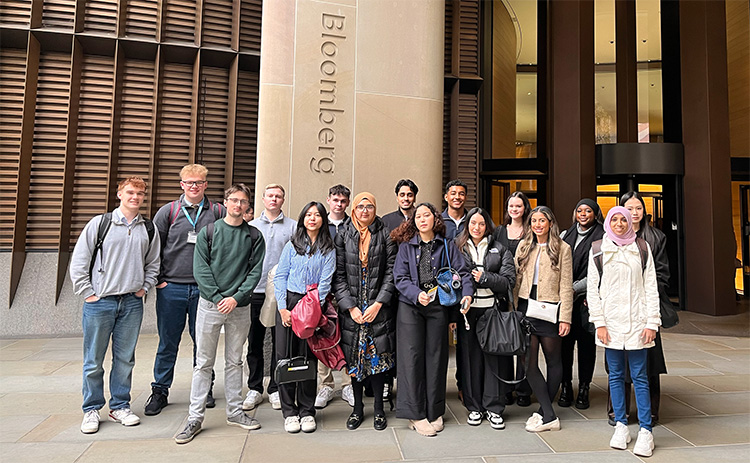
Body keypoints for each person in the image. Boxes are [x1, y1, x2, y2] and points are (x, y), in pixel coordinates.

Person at [175, 183, 266, 444]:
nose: (238, 205)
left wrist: (235, 298)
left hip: (239, 307)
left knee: (235, 361)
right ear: (226, 202)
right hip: (210, 306)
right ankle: (195, 417)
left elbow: (255, 273)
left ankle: (235, 412)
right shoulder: (209, 231)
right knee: (203, 362)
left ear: (249, 205)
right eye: (234, 200)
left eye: (243, 202)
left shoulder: (254, 236)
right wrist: (218, 298)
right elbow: (200, 269)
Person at [70, 177, 160, 434]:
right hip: (101, 302)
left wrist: (144, 287)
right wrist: (88, 293)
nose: (136, 197)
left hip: (131, 303)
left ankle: (120, 405)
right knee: (93, 360)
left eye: (140, 193)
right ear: (119, 194)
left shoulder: (148, 228)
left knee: (125, 359)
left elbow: (153, 263)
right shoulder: (101, 224)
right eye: (130, 192)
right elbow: (79, 260)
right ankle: (91, 409)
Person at [145, 164, 226, 416]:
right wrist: (158, 279)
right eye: (189, 182)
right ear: (181, 185)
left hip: (205, 290)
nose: (194, 186)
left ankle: (205, 388)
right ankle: (159, 391)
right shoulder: (168, 211)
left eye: (199, 182)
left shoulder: (217, 211)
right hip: (172, 288)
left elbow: (226, 247)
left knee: (203, 342)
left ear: (206, 184)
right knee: (168, 342)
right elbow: (153, 247)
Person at [392, 203, 473, 437]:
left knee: (436, 358)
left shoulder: (447, 245)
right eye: (418, 216)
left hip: (438, 307)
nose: (422, 219)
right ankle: (416, 414)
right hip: (411, 308)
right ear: (414, 221)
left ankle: (434, 410)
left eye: (426, 215)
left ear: (435, 219)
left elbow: (463, 273)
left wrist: (466, 293)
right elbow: (400, 277)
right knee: (411, 359)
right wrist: (417, 294)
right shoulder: (406, 247)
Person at [588, 206, 660, 457]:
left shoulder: (641, 248)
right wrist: (599, 323)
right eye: (614, 219)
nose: (619, 224)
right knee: (616, 376)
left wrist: (652, 322)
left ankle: (645, 430)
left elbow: (651, 286)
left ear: (630, 222)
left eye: (623, 220)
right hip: (611, 324)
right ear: (608, 222)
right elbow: (592, 290)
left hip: (638, 322)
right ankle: (620, 425)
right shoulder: (598, 248)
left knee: (640, 377)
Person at [333, 192, 397, 431]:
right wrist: (350, 307)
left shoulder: (385, 234)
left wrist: (378, 303)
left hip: (377, 308)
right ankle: (358, 409)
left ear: (375, 208)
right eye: (360, 207)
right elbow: (338, 276)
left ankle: (379, 409)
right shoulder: (343, 235)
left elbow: (391, 272)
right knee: (355, 361)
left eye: (369, 206)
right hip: (353, 309)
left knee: (378, 360)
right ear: (354, 209)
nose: (364, 211)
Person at [274, 202, 336, 434]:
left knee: (309, 358)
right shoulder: (292, 245)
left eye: (317, 215)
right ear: (302, 219)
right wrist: (283, 309)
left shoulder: (329, 249)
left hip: (312, 307)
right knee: (286, 358)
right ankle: (289, 411)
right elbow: (280, 276)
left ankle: (307, 410)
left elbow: (326, 282)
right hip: (289, 303)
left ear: (323, 219)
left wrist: (311, 312)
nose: (312, 218)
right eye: (308, 214)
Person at [454, 208, 516, 430]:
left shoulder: (500, 249)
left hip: (492, 311)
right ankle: (474, 407)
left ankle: (494, 408)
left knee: (494, 361)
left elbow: (509, 281)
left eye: (481, 224)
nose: (476, 228)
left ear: (487, 226)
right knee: (470, 361)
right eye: (473, 223)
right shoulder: (458, 247)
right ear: (467, 226)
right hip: (467, 312)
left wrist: (485, 278)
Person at [513, 206, 573, 432]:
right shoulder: (524, 246)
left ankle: (544, 412)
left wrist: (565, 317)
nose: (537, 224)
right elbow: (516, 279)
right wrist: (513, 309)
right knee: (528, 362)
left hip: (550, 309)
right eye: (534, 221)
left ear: (550, 223)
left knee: (553, 360)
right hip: (526, 306)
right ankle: (549, 414)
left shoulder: (562, 248)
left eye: (542, 221)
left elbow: (567, 285)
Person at [614, 191, 670, 425]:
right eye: (629, 208)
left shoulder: (656, 237)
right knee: (617, 359)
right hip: (619, 307)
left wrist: (639, 287)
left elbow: (662, 274)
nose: (634, 213)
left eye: (638, 208)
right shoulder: (612, 236)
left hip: (645, 306)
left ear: (644, 211)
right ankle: (619, 409)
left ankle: (652, 410)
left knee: (649, 358)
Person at [243, 184, 296, 412]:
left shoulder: (293, 226)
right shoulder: (251, 226)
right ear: (263, 199)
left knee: (279, 342)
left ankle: (275, 388)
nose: (274, 199)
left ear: (283, 200)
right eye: (270, 196)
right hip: (254, 291)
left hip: (280, 294)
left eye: (278, 196)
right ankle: (255, 387)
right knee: (254, 341)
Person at [558, 199, 604, 410]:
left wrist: (574, 288)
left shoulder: (603, 236)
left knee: (586, 347)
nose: (583, 214)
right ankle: (565, 385)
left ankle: (584, 387)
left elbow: (600, 271)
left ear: (595, 214)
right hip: (566, 303)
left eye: (588, 211)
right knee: (564, 347)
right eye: (580, 210)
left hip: (588, 300)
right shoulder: (564, 235)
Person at [493, 191, 532, 407]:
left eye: (518, 206)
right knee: (505, 342)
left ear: (525, 208)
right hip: (503, 295)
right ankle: (506, 388)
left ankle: (524, 389)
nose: (514, 209)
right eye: (511, 206)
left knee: (524, 343)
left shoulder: (531, 231)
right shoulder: (499, 231)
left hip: (525, 294)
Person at [317, 184, 355, 409]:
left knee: (347, 337)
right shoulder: (321, 224)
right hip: (324, 291)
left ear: (347, 203)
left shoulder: (353, 225)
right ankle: (326, 384)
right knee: (324, 338)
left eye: (343, 201)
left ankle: (348, 383)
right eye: (335, 200)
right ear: (329, 200)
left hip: (348, 292)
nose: (339, 204)